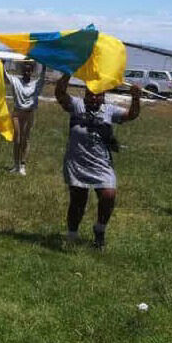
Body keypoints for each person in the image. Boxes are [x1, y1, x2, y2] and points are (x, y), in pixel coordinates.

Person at [55, 75, 141, 250]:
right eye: (90, 94)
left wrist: (136, 97)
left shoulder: (109, 110)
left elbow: (131, 115)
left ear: (104, 96)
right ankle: (72, 235)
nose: (94, 98)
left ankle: (100, 230)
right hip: (78, 162)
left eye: (98, 95)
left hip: (101, 164)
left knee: (108, 195)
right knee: (78, 200)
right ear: (85, 94)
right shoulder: (77, 105)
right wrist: (67, 73)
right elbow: (60, 94)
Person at [4, 62, 46, 175]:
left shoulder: (35, 84)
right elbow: (5, 75)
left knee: (25, 139)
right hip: (17, 113)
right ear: (22, 71)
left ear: (32, 71)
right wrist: (2, 62)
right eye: (25, 70)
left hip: (29, 113)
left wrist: (44, 64)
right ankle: (16, 165)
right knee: (17, 139)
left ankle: (22, 165)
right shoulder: (16, 81)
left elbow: (43, 76)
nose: (27, 72)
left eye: (29, 70)